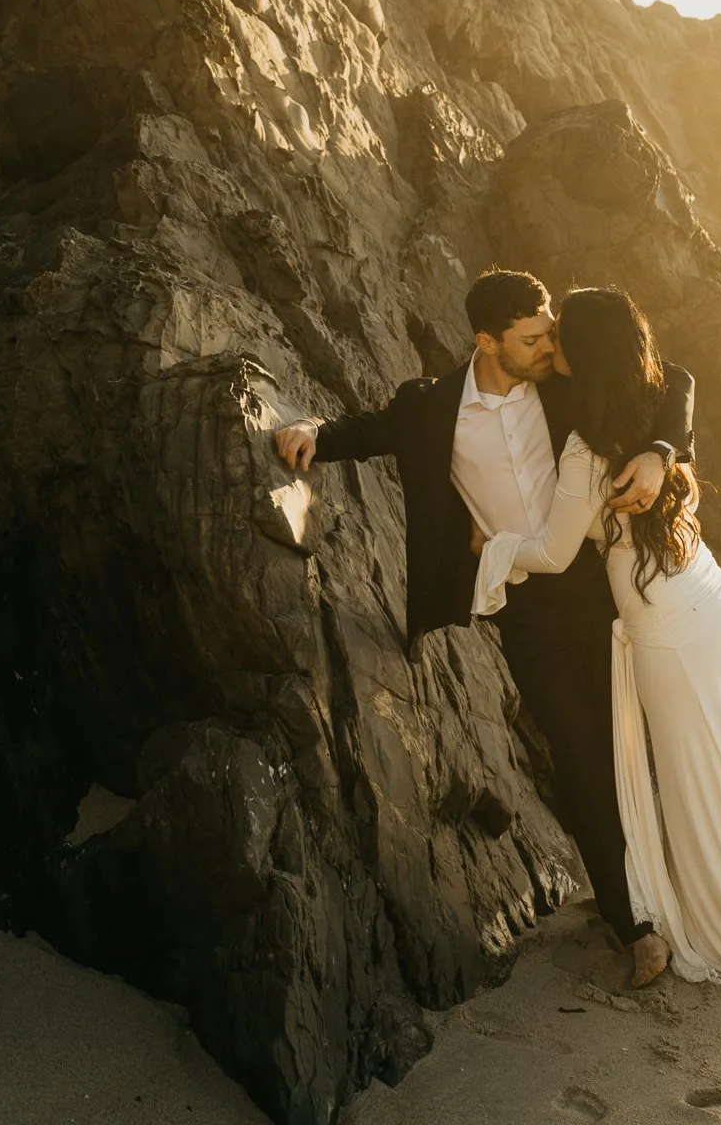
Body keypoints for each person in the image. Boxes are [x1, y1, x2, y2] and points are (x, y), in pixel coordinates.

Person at [273, 267, 696, 988]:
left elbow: (672, 378)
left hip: (604, 595)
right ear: (485, 341)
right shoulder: (432, 407)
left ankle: (662, 887)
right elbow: (366, 430)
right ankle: (634, 926)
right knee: (578, 754)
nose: (548, 346)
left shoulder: (560, 384)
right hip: (526, 612)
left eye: (549, 333)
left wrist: (662, 453)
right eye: (532, 338)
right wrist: (311, 428)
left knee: (638, 744)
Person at [472, 285, 721, 991]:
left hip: (663, 629)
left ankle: (712, 923)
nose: (550, 348)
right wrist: (664, 449)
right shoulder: (643, 410)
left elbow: (550, 553)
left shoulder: (590, 446)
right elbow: (675, 377)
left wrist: (490, 547)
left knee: (690, 777)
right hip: (708, 599)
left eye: (560, 339)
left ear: (584, 352)